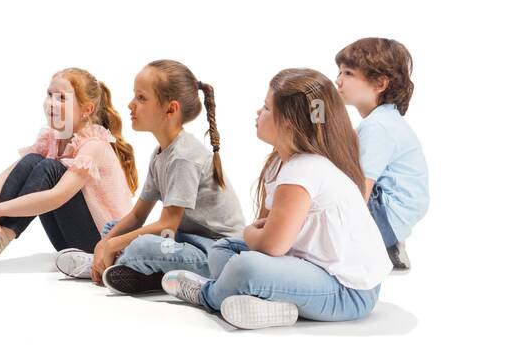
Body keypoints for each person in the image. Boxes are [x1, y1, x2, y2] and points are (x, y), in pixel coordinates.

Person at [162, 69, 391, 329]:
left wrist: (251, 233)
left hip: (348, 292)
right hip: (309, 269)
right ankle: (276, 305)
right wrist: (256, 235)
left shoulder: (304, 169)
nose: (258, 113)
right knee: (223, 249)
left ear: (288, 123)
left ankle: (208, 294)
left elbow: (271, 245)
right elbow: (269, 231)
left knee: (246, 266)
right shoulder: (280, 164)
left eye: (266, 107)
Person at [59, 60, 245, 295]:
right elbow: (138, 215)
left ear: (170, 109)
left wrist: (113, 245)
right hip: (185, 239)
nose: (130, 104)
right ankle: (119, 266)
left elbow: (168, 224)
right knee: (112, 227)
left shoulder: (184, 157)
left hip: (215, 253)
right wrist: (102, 244)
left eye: (141, 98)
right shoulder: (161, 153)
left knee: (142, 245)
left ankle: (116, 264)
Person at [0, 69, 135, 274]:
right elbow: (3, 177)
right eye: (49, 95)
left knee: (50, 168)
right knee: (32, 160)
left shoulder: (93, 144)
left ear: (86, 110)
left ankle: (0, 240)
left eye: (62, 98)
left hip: (104, 245)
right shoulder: (52, 139)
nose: (51, 104)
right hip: (68, 242)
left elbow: (57, 197)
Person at [335, 37, 429, 271]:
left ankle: (375, 244)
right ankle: (388, 244)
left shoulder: (378, 126)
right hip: (395, 218)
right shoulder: (385, 119)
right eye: (339, 72)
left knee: (334, 184)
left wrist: (342, 237)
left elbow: (361, 186)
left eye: (348, 73)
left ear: (380, 84)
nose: (338, 81)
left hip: (386, 216)